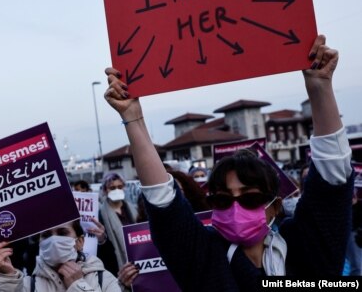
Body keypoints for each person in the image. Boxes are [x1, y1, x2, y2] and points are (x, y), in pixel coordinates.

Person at [104, 35, 352, 289]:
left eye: (249, 197)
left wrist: (320, 86)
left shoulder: (304, 247)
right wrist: (132, 117)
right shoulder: (206, 258)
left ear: (275, 207)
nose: (235, 208)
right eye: (222, 199)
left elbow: (332, 177)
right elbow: (162, 201)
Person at [0, 219, 121, 291]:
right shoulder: (26, 285)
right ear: (40, 243)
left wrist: (78, 286)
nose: (53, 240)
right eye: (46, 235)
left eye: (62, 233)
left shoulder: (104, 280)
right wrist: (7, 278)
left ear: (79, 241)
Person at [98, 173, 137, 271]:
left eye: (120, 187)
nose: (117, 190)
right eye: (112, 188)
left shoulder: (134, 209)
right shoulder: (101, 214)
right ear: (105, 190)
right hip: (116, 264)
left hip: (138, 255)